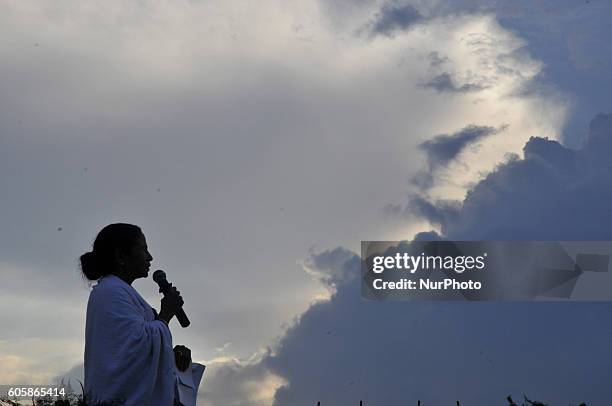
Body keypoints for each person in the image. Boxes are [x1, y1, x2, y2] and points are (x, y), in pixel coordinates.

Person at [81, 223, 190, 406]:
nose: (150, 257)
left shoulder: (123, 293)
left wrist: (172, 358)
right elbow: (134, 346)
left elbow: (138, 350)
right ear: (121, 256)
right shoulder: (110, 292)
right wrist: (166, 314)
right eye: (143, 249)